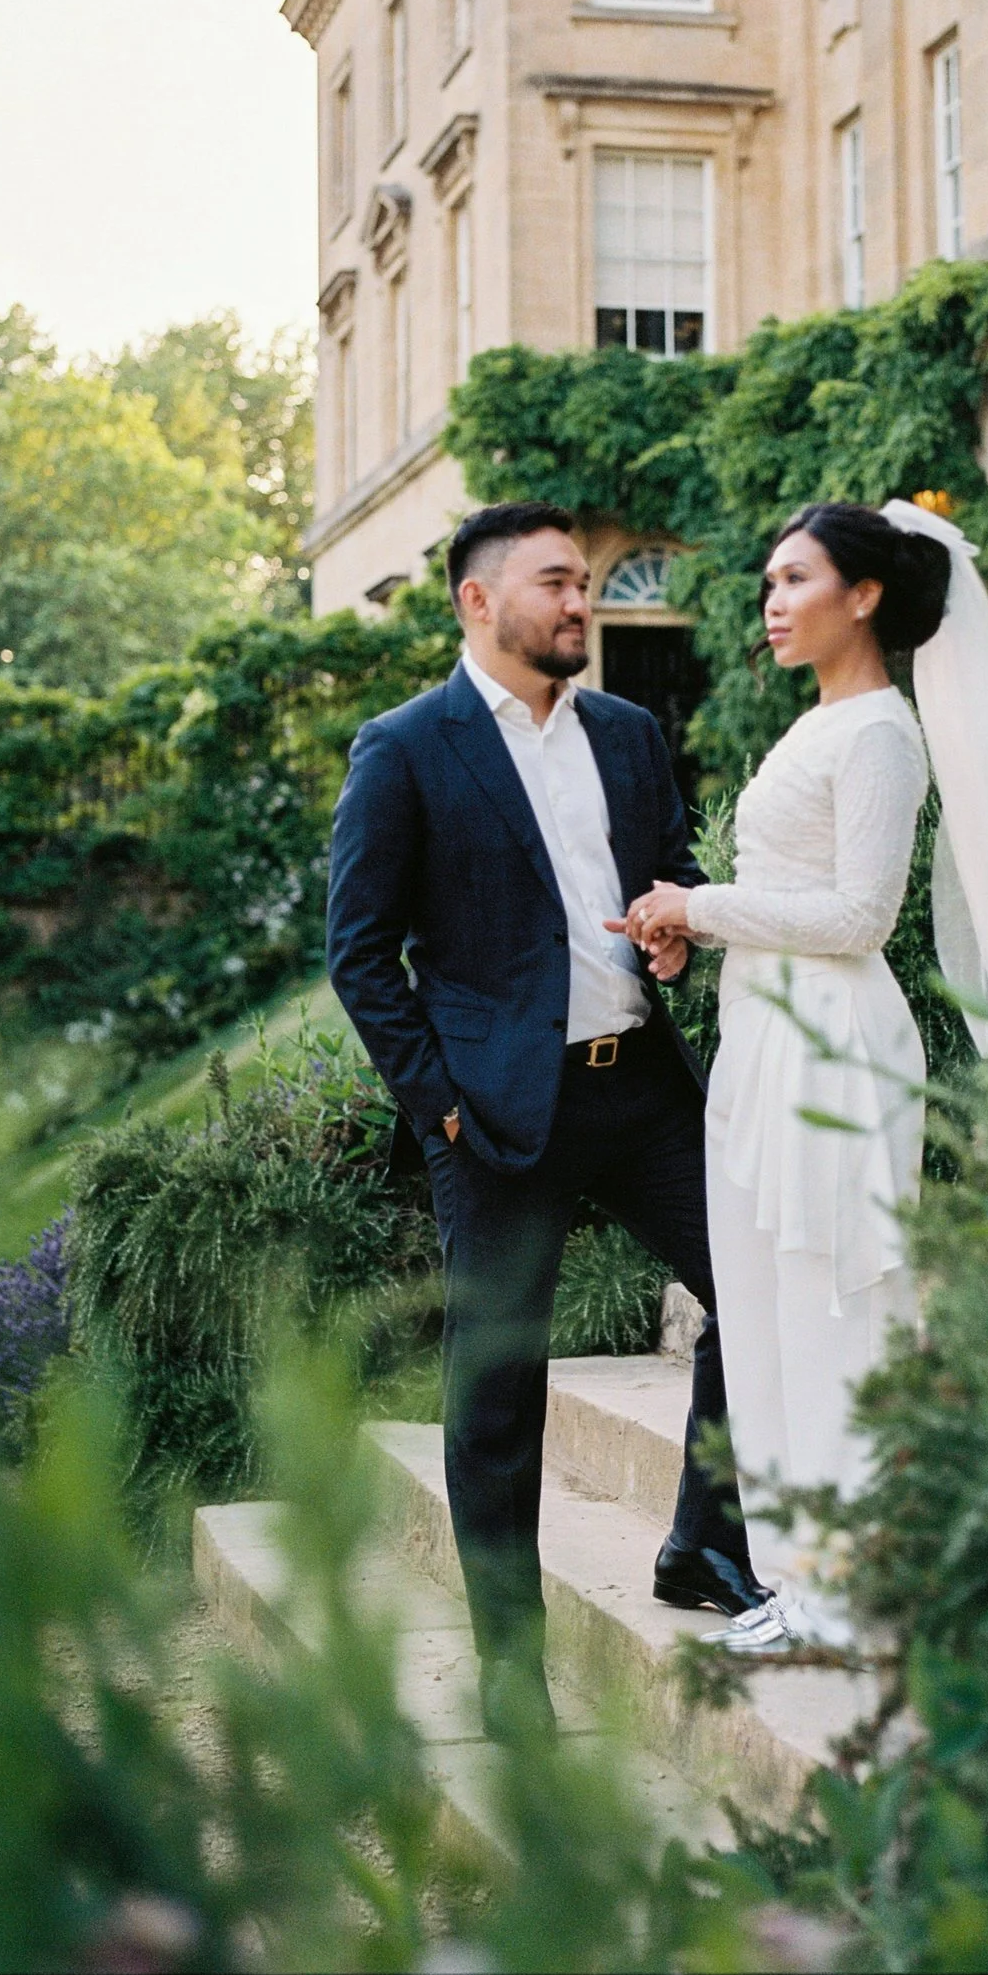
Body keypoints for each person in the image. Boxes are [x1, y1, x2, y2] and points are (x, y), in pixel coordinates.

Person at [613, 498, 988, 1651]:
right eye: (768, 585)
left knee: (839, 1303)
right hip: (768, 1034)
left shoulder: (883, 732)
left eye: (795, 579)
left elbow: (858, 912)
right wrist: (701, 933)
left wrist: (700, 904)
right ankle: (811, 1572)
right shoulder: (818, 725)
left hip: (834, 1043)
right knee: (772, 1307)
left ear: (866, 595)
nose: (773, 604)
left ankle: (861, 1585)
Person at [324, 500, 766, 1744]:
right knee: (499, 1385)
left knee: (757, 1288)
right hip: (497, 1118)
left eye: (586, 585)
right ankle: (508, 1661)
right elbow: (360, 955)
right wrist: (443, 1110)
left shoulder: (626, 733)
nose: (582, 603)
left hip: (640, 1088)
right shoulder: (406, 748)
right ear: (478, 601)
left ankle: (701, 1540)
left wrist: (670, 938)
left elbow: (660, 873)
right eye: (557, 583)